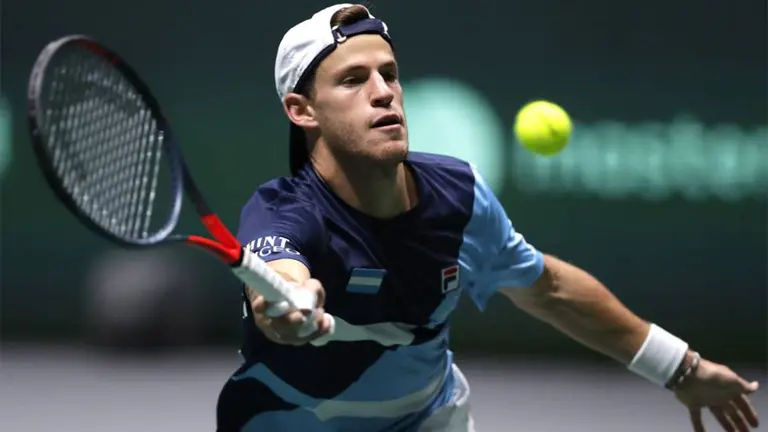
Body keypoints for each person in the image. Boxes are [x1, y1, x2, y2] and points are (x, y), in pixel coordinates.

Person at [216, 4, 760, 431]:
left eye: (390, 73)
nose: (384, 93)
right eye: (354, 80)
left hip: (428, 420)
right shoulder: (282, 213)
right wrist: (289, 305)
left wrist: (680, 368)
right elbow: (280, 281)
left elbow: (548, 289)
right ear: (301, 110)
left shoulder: (457, 197)